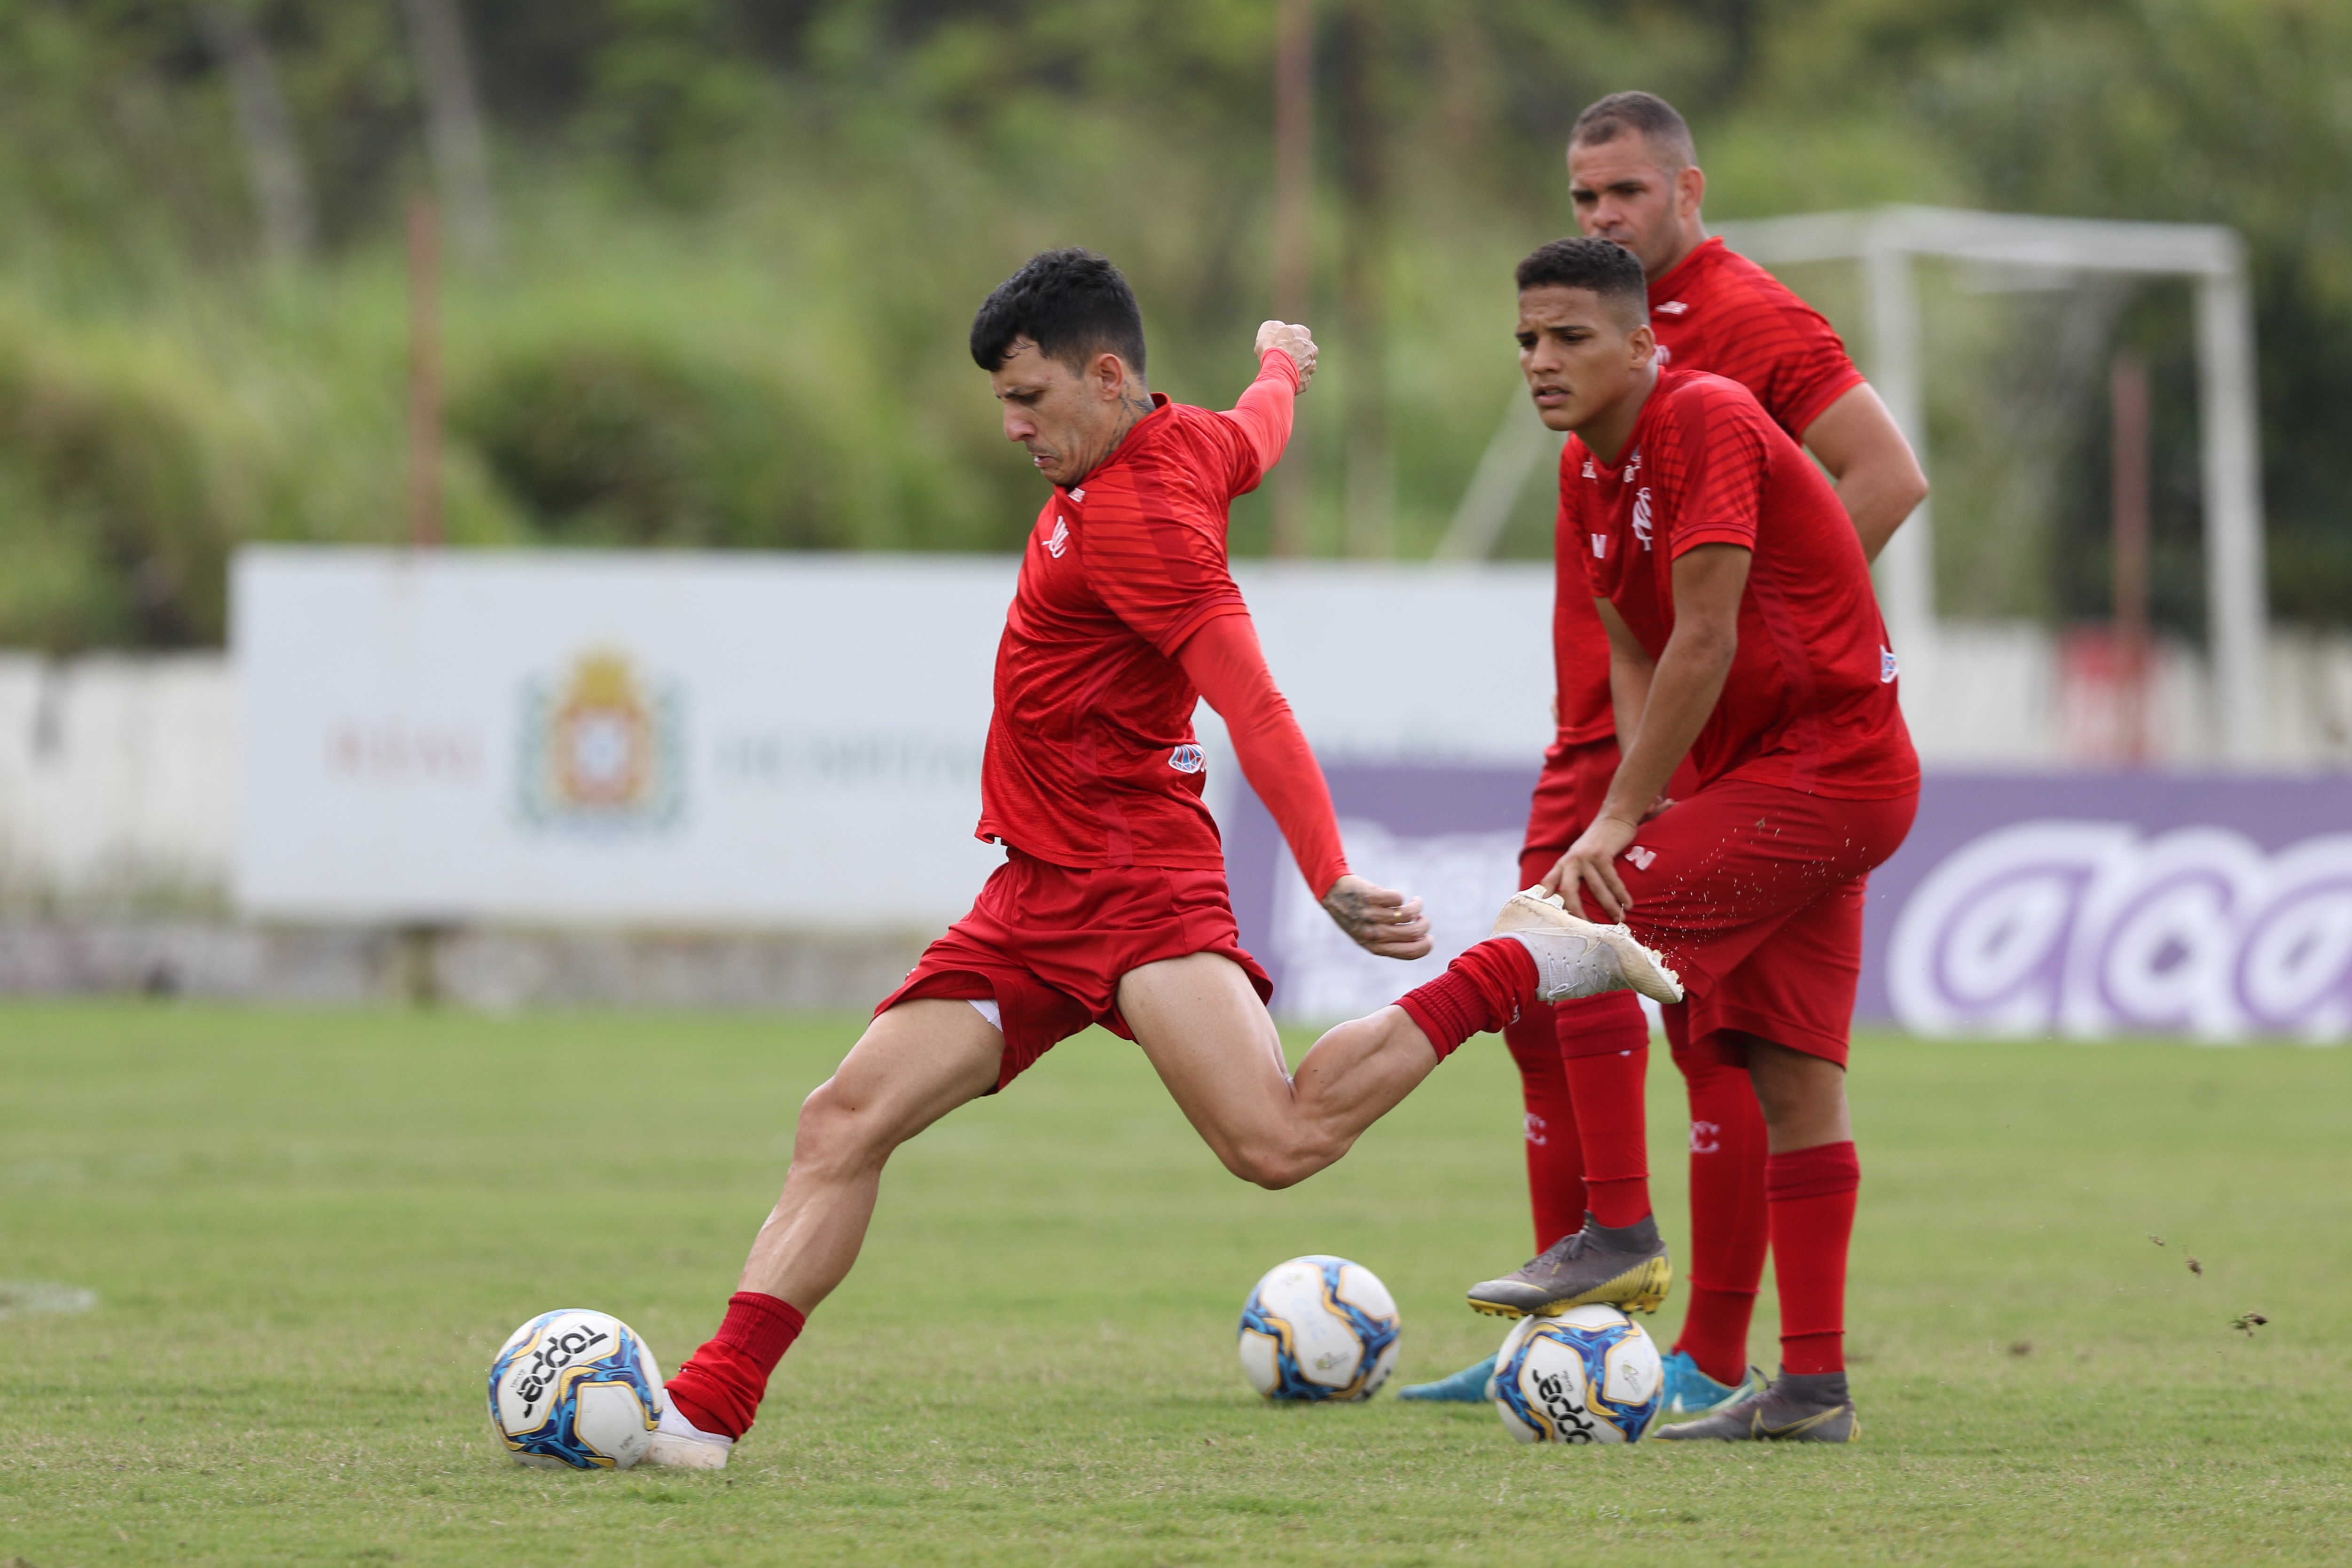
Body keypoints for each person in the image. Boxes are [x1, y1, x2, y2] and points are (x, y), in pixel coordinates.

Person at [638, 248, 1681, 1470]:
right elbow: (1258, 431)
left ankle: (1518, 967)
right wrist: (1278, 363)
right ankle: (707, 1413)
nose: (1015, 428)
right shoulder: (1184, 440)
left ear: (1109, 376)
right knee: (840, 1123)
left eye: (1030, 401)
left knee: (1276, 1144)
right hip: (1031, 893)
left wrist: (1327, 867)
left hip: (1136, 883)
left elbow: (1255, 705)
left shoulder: (1142, 525)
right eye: (1003, 407)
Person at [1400, 91, 1927, 1413]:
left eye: (1624, 195)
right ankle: (1642, 1345)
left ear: (1689, 192)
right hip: (1634, 736)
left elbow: (1883, 475)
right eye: (1583, 199)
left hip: (1774, 740)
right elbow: (1638, 627)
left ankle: (1689, 1334)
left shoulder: (1740, 331)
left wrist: (1766, 635)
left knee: (1627, 980)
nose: (1601, 218)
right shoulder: (1582, 411)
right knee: (1653, 1021)